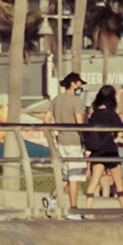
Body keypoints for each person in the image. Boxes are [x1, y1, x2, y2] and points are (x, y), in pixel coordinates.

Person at [46, 71, 88, 215]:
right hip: (74, 142)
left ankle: (51, 197)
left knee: (67, 175)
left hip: (62, 142)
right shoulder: (75, 100)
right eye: (79, 83)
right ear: (73, 83)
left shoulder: (56, 99)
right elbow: (79, 123)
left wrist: (54, 134)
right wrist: (86, 138)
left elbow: (46, 121)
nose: (80, 86)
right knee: (74, 176)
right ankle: (73, 210)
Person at [82, 85, 123, 204]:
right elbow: (120, 131)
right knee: (119, 184)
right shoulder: (111, 114)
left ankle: (87, 209)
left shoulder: (94, 114)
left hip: (97, 151)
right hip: (109, 150)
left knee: (94, 182)